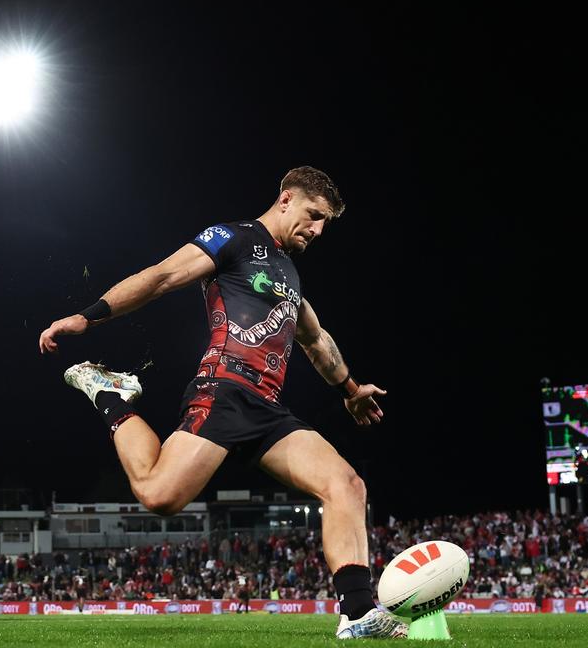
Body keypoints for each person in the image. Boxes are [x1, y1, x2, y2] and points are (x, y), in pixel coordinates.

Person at [40, 166, 405, 639]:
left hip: (267, 408)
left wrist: (351, 390)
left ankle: (358, 614)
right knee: (160, 496)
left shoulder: (289, 272)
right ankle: (113, 394)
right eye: (313, 216)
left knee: (347, 486)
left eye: (325, 225)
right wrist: (88, 318)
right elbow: (163, 276)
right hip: (225, 388)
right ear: (286, 198)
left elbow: (316, 341)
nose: (317, 231)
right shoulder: (232, 238)